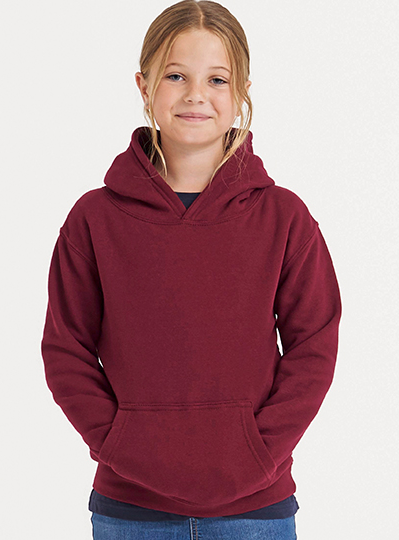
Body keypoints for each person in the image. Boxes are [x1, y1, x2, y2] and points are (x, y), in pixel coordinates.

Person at [40, 1, 342, 539]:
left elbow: (314, 346)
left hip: (255, 511)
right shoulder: (94, 219)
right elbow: (67, 350)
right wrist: (118, 443)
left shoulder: (284, 217)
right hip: (130, 511)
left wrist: (259, 453)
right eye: (176, 76)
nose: (196, 94)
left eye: (217, 79)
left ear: (242, 91)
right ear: (143, 85)